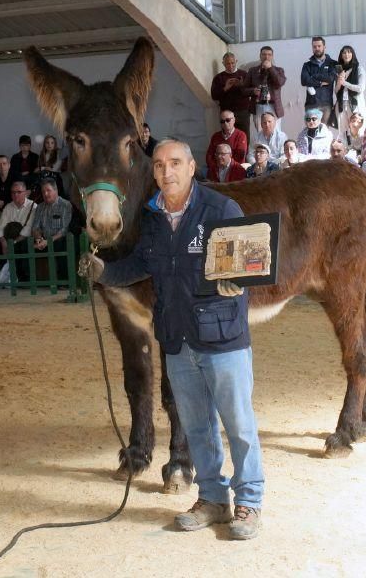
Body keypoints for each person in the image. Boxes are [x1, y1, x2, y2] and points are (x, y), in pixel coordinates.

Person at [79, 139, 265, 540]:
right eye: (160, 165)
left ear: (192, 166)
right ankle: (213, 499)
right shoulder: (152, 218)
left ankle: (248, 502)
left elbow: (249, 266)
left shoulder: (221, 209)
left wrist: (238, 282)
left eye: (175, 163)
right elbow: (139, 265)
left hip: (222, 339)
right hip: (177, 340)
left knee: (238, 424)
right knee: (198, 427)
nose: (167, 172)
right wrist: (103, 271)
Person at [243, 45, 286, 130]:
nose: (266, 57)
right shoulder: (252, 70)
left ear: (272, 56)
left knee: (275, 133)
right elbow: (244, 90)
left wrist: (270, 68)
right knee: (260, 132)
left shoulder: (279, 70)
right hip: (258, 106)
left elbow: (280, 83)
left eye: (269, 54)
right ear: (260, 56)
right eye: (264, 54)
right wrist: (253, 91)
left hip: (274, 106)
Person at [211, 52, 251, 140]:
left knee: (244, 137)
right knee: (227, 136)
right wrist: (225, 88)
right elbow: (214, 96)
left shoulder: (244, 74)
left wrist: (241, 85)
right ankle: (228, 153)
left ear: (236, 61)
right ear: (223, 63)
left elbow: (250, 92)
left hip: (243, 112)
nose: (230, 65)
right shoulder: (219, 77)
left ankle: (244, 153)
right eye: (227, 63)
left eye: (232, 63)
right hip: (226, 113)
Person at [300, 36, 337, 123]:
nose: (317, 48)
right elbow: (304, 80)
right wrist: (320, 82)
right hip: (311, 104)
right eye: (314, 47)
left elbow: (330, 78)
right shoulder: (307, 65)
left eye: (319, 46)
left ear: (324, 47)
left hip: (326, 104)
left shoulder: (333, 64)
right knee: (311, 130)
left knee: (325, 131)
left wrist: (313, 76)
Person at [206, 110, 248, 176]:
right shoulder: (215, 136)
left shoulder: (241, 135)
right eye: (222, 121)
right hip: (217, 169)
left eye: (228, 120)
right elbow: (209, 155)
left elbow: (240, 157)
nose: (225, 123)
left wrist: (226, 167)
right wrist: (215, 167)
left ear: (234, 120)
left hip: (234, 169)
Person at [334, 45, 366, 131]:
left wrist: (344, 83)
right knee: (343, 130)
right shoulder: (339, 70)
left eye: (349, 52)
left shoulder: (359, 69)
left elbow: (361, 88)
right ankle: (346, 145)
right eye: (344, 52)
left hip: (355, 103)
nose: (346, 54)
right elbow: (336, 91)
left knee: (357, 128)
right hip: (341, 104)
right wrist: (339, 82)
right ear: (341, 55)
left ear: (353, 54)